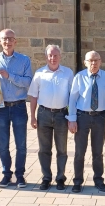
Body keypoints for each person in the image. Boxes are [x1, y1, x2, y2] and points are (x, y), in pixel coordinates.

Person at [0, 29, 33, 188]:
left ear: (15, 41)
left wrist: (9, 76)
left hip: (19, 106)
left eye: (10, 39)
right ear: (0, 41)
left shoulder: (24, 60)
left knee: (21, 144)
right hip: (1, 108)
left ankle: (20, 175)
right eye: (4, 39)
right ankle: (6, 174)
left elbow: (28, 83)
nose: (8, 42)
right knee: (3, 144)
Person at [28, 45, 74, 190]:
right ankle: (46, 178)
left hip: (61, 115)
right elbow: (33, 96)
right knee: (44, 149)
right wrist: (33, 117)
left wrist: (72, 117)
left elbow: (73, 97)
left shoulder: (68, 73)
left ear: (60, 56)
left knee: (62, 149)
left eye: (55, 55)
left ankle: (60, 178)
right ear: (46, 57)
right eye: (50, 55)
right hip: (44, 114)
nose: (52, 58)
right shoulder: (39, 73)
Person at [67, 51, 105, 193]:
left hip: (99, 117)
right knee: (80, 151)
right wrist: (72, 119)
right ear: (85, 62)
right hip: (82, 117)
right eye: (90, 60)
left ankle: (98, 180)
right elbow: (73, 99)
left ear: (101, 61)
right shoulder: (79, 77)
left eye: (96, 60)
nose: (93, 63)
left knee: (98, 152)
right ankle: (77, 181)